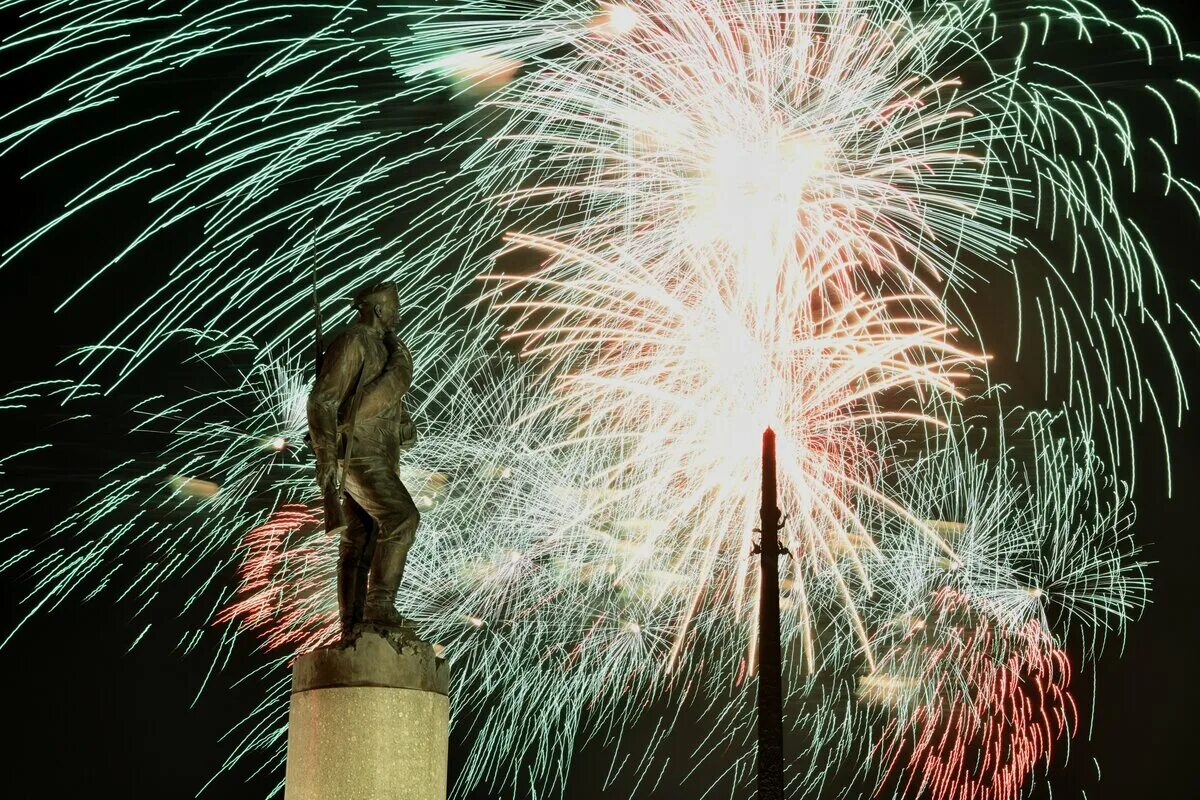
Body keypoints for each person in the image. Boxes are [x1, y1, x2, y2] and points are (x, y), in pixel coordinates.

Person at [307, 280, 418, 634]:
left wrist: (403, 426)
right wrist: (325, 454)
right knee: (402, 518)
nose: (398, 312)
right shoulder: (354, 341)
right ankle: (379, 606)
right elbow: (322, 400)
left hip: (382, 453)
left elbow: (383, 404)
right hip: (356, 453)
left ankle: (353, 627)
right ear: (378, 309)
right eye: (394, 305)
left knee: (363, 536)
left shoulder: (385, 350)